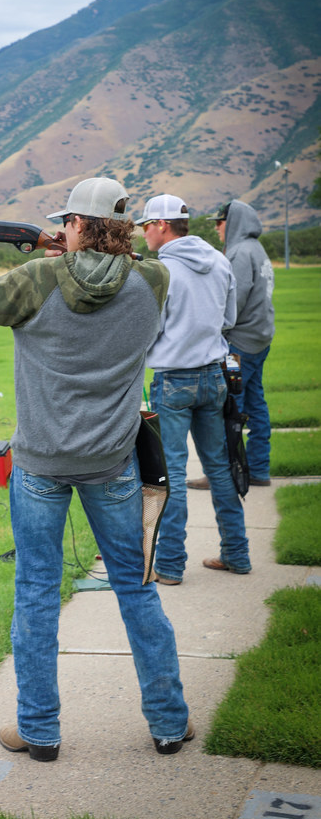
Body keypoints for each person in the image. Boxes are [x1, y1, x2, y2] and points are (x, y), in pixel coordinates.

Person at [0, 177, 192, 762]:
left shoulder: (37, 278)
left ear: (76, 224)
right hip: (113, 461)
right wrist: (79, 251)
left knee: (35, 593)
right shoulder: (155, 279)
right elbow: (119, 274)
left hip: (40, 463)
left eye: (67, 222)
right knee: (136, 589)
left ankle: (39, 732)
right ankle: (168, 724)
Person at [136, 194, 251, 585]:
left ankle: (170, 565)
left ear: (162, 225)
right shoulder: (219, 260)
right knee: (220, 467)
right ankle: (237, 554)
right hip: (214, 376)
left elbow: (150, 329)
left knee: (171, 475)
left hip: (173, 380)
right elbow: (229, 318)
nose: (144, 233)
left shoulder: (161, 270)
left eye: (146, 225)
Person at [187, 200, 275, 489]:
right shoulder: (257, 249)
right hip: (260, 341)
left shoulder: (239, 253)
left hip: (238, 348)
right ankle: (259, 469)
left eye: (219, 222)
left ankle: (221, 475)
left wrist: (212, 330)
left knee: (227, 409)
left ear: (233, 222)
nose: (216, 228)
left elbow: (232, 302)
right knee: (256, 406)